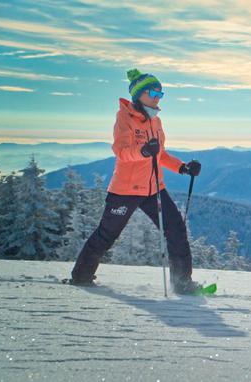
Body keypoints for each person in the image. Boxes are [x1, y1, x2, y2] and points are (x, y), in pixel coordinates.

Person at [67, 68, 202, 294]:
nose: (158, 98)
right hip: (125, 190)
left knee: (176, 230)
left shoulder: (155, 122)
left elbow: (161, 154)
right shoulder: (124, 118)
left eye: (161, 94)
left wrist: (182, 167)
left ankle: (182, 283)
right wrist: (143, 152)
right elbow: (121, 151)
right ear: (139, 94)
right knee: (107, 234)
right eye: (153, 93)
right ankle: (81, 277)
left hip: (154, 189)